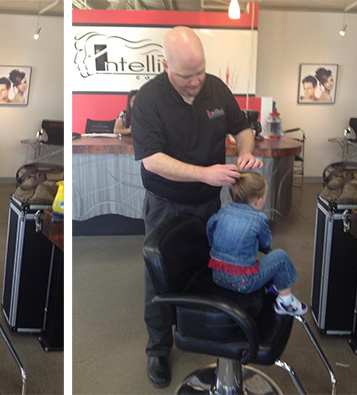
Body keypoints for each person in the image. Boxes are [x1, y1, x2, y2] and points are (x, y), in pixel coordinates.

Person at [131, 26, 262, 388]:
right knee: (158, 274)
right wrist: (204, 173)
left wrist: (246, 150)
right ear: (165, 65)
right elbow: (152, 160)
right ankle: (158, 348)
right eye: (187, 76)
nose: (196, 82)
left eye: (200, 71)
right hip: (165, 204)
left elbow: (242, 126)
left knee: (207, 268)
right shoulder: (148, 100)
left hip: (209, 202)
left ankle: (203, 328)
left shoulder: (216, 88)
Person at [207, 171, 307, 315]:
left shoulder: (221, 213)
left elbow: (210, 229)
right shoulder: (258, 219)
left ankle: (274, 286)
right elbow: (265, 244)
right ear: (258, 201)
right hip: (243, 284)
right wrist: (266, 250)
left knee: (248, 257)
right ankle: (286, 302)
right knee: (280, 256)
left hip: (217, 277)